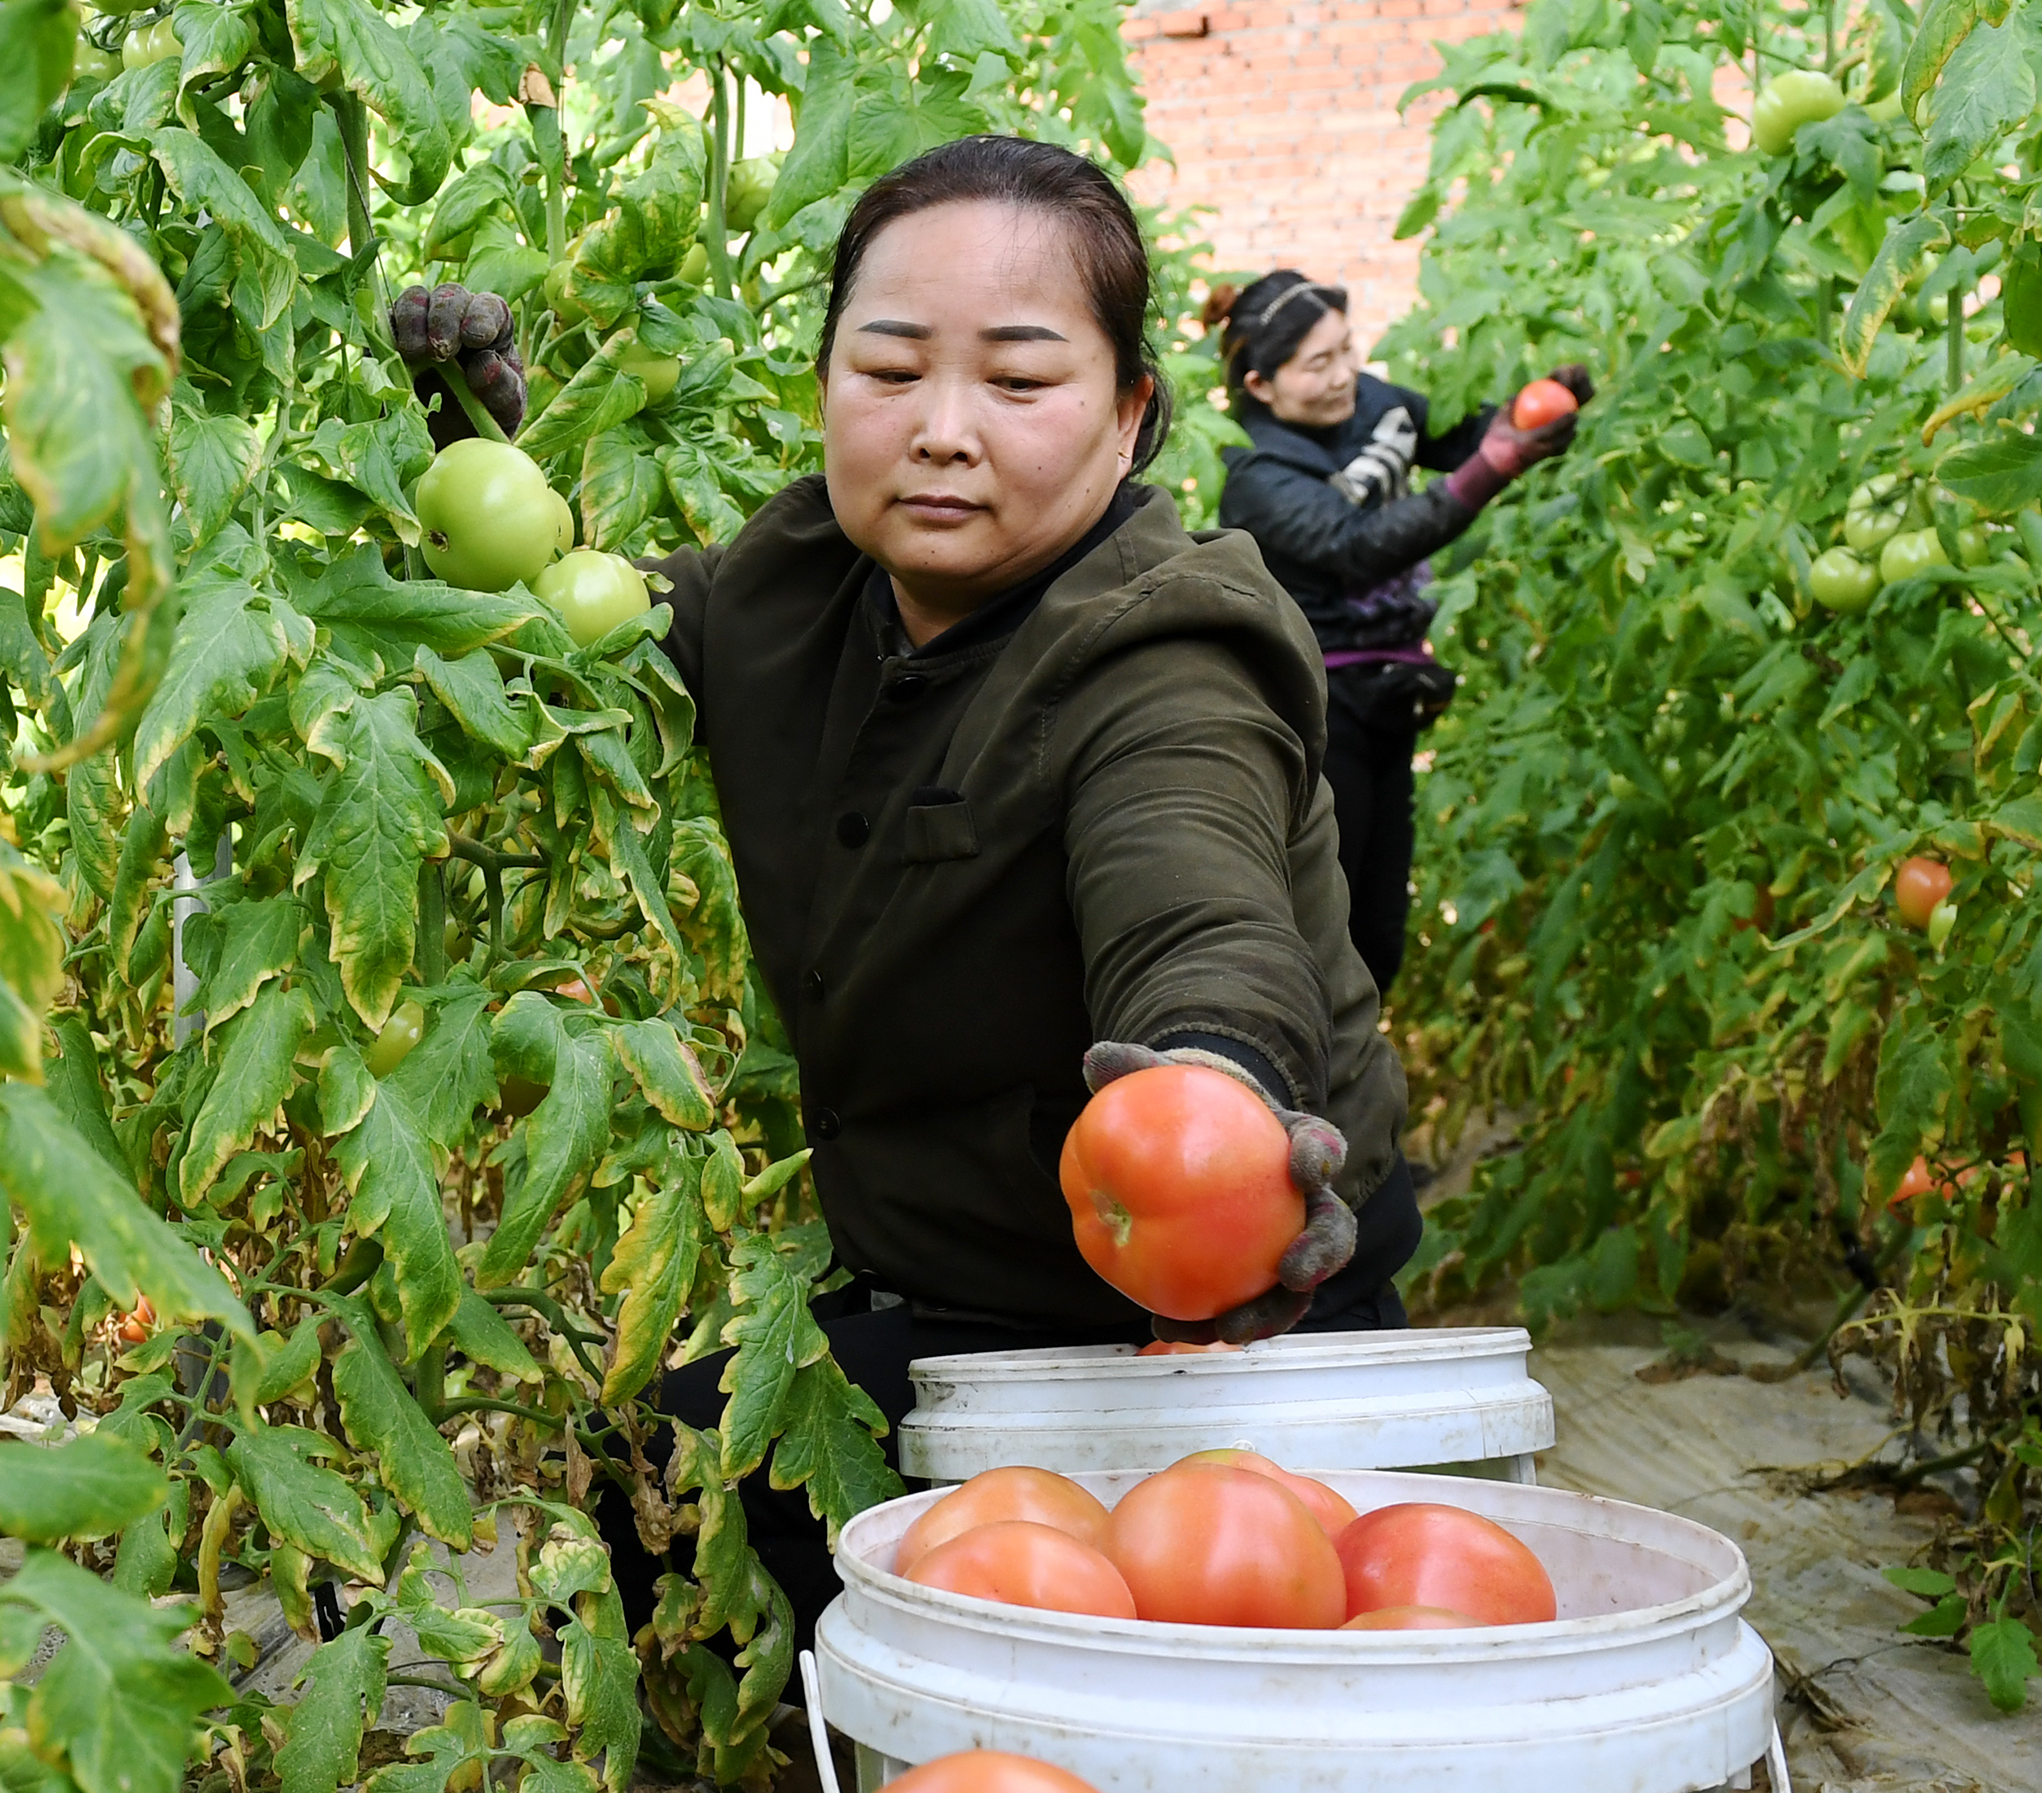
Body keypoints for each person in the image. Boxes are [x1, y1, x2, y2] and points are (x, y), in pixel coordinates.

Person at [394, 137, 1419, 1643]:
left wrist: (1219, 1100)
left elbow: (1197, 906)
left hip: (1222, 1329)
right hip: (967, 1300)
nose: (944, 432)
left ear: (1132, 418)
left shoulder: (1168, 648)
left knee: (1080, 1682)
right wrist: (485, 463)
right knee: (648, 1512)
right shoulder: (796, 576)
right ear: (826, 389)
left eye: (1019, 382)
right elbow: (583, 629)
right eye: (889, 370)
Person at [1206, 272, 1587, 989]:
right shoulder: (1256, 473)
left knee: (1379, 928)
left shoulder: (1374, 404)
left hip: (1389, 692)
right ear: (1261, 385)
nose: (1346, 375)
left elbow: (1458, 439)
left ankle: (1359, 1071)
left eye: (1347, 349)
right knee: (1329, 915)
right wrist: (1495, 465)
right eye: (1318, 365)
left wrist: (1530, 418)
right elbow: (1362, 545)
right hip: (1314, 706)